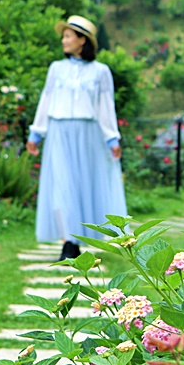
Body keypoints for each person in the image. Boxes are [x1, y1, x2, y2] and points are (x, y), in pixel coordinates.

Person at [26, 15, 126, 261]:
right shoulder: (56, 69)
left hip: (88, 134)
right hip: (59, 132)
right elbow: (46, 100)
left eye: (68, 36)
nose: (64, 40)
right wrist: (36, 133)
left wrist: (112, 139)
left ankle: (81, 237)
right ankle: (68, 243)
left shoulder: (101, 72)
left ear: (82, 40)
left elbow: (105, 106)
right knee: (61, 185)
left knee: (83, 185)